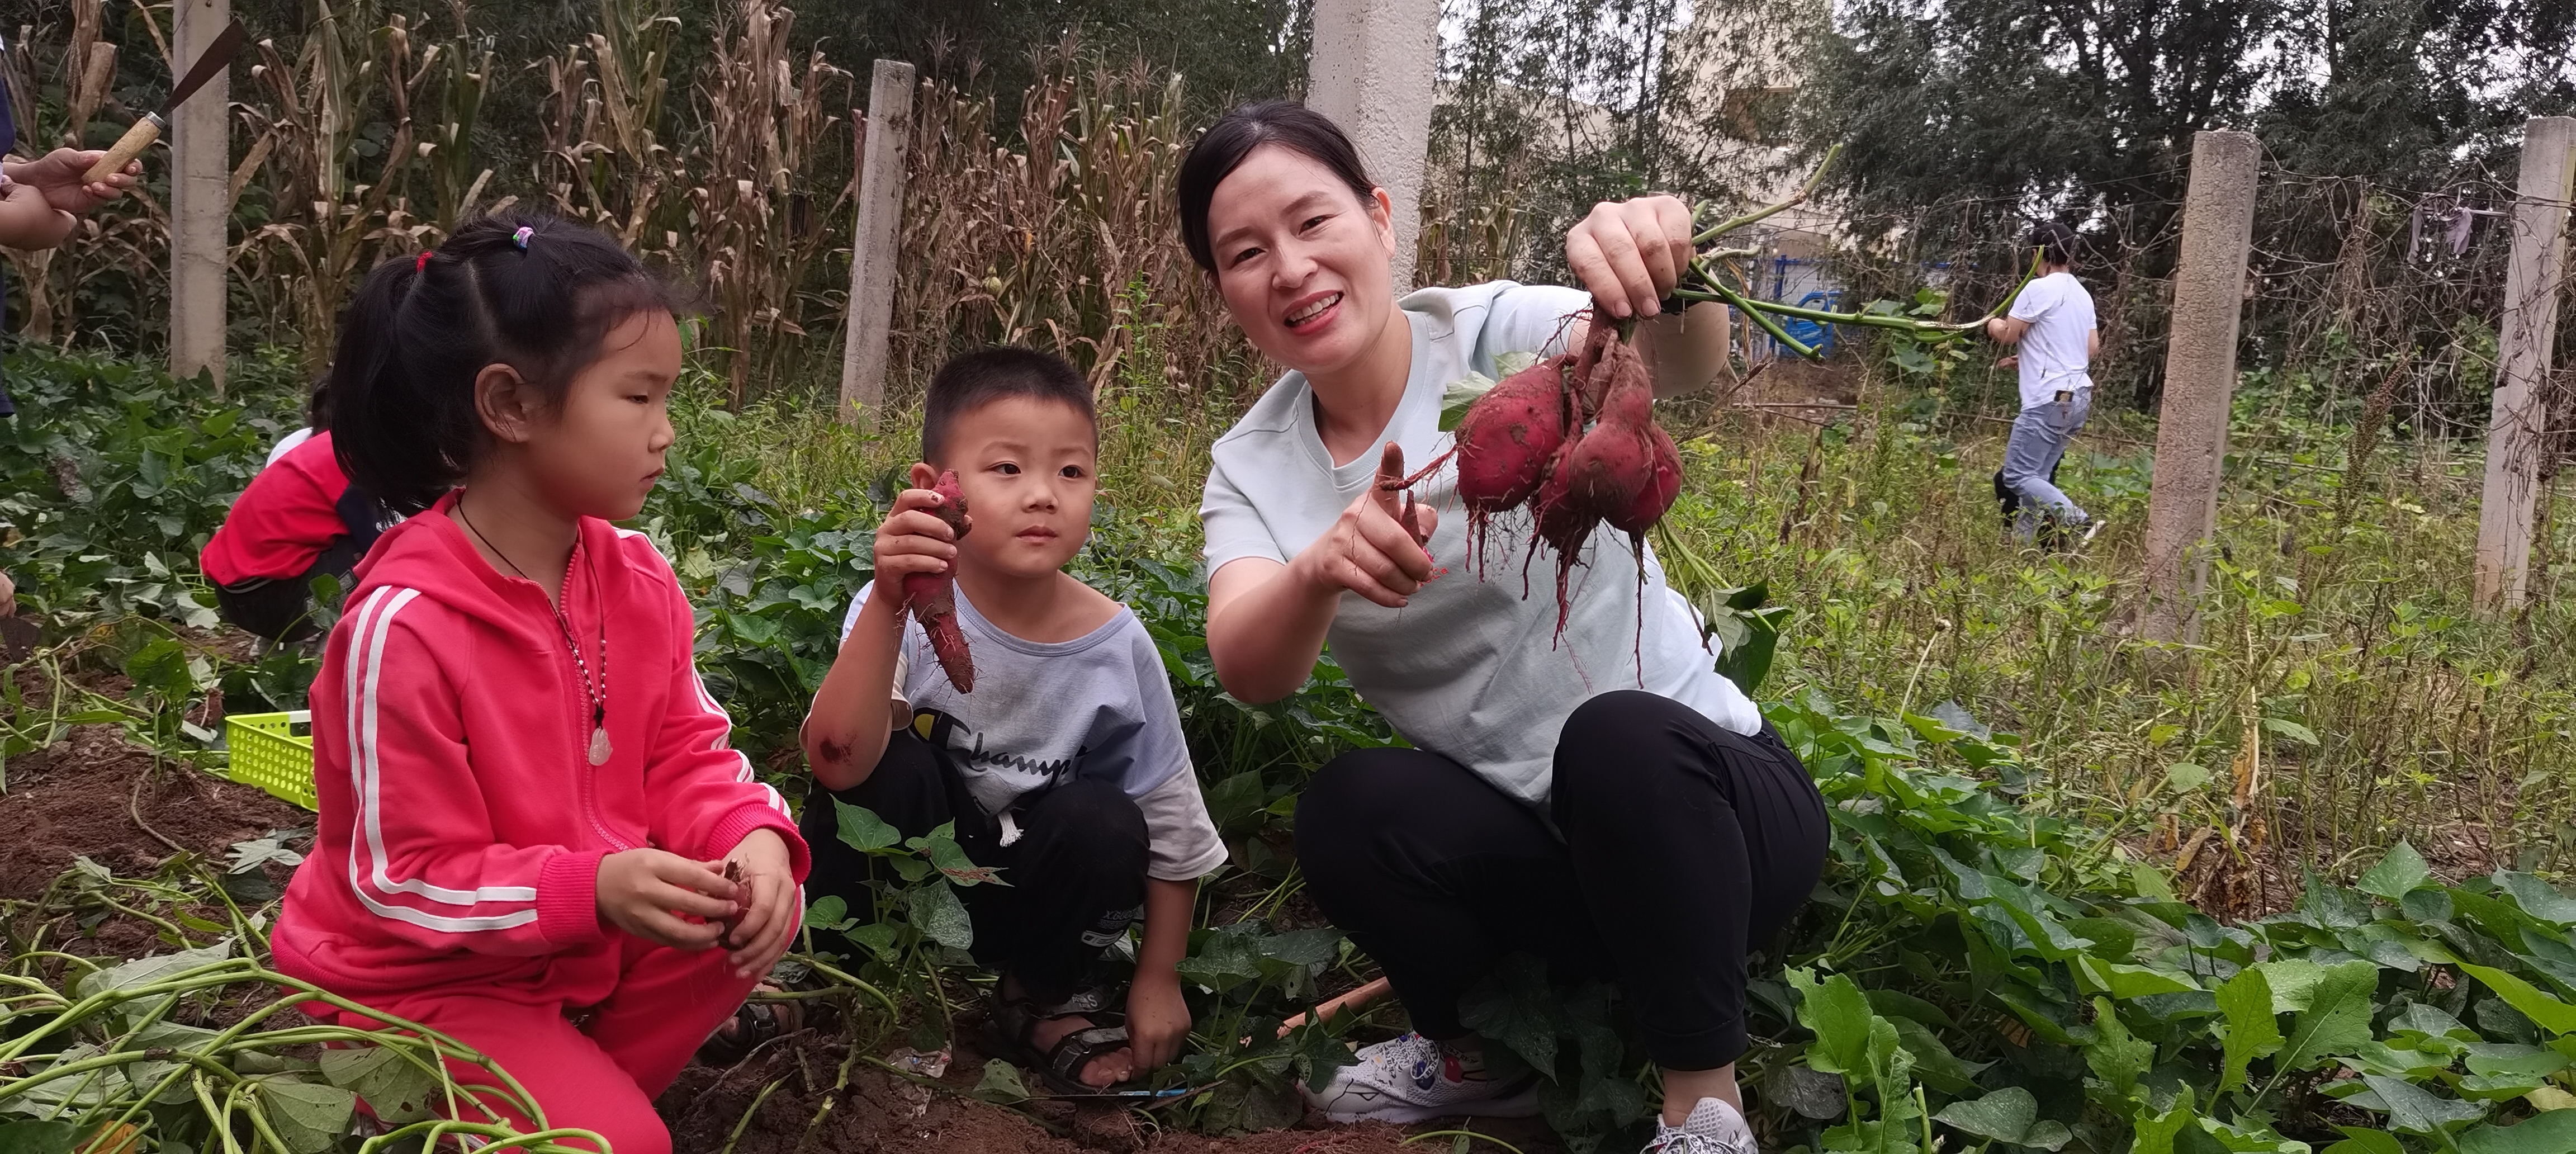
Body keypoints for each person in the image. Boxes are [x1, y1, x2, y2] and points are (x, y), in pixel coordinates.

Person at [1180, 102, 1830, 1154]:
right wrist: (1318, 571)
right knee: (1348, 810)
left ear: (1378, 217)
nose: (1290, 268)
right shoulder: (1253, 467)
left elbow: (1680, 360)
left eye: (1312, 221)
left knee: (1615, 737)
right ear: (1223, 291)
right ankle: (1482, 1064)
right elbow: (1248, 662)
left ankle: (1703, 1112)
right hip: (1549, 859)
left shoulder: (1492, 333)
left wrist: (1663, 268)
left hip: (1716, 819)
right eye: (1245, 253)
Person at [268, 213, 808, 1154]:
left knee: (756, 903)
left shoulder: (635, 578)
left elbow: (687, 753)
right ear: (510, 405)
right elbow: (400, 879)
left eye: (667, 397)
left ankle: (570, 1085)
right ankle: (450, 1098)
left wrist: (750, 836)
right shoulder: (404, 629)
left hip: (563, 945)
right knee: (622, 1145)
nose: (666, 432)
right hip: (418, 979)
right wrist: (586, 888)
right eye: (638, 397)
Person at [800, 347, 1225, 1094]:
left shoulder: (1117, 645)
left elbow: (1172, 824)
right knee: (893, 762)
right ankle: (830, 971)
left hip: (1030, 892)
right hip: (913, 870)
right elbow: (838, 760)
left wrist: (1160, 975)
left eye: (1071, 471)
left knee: (1105, 818)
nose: (1043, 496)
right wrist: (890, 600)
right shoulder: (890, 611)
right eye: (1007, 468)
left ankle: (1044, 994)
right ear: (935, 490)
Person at [198, 384, 394, 642]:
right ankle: (332, 648)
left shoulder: (322, 447)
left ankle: (283, 644)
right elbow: (379, 540)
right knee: (386, 554)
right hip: (271, 604)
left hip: (234, 592)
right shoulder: (351, 460)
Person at [1986, 221, 2101, 544]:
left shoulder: (2038, 289)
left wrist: (1991, 323)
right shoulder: (2082, 294)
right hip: (2077, 396)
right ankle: (2020, 547)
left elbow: (2008, 334)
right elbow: (2091, 348)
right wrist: (2030, 358)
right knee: (2037, 477)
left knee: (2016, 476)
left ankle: (2077, 520)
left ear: (2037, 254)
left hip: (2049, 398)